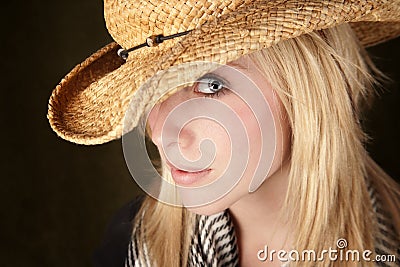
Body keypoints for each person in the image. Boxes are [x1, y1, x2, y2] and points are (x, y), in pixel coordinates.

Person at [48, 0, 400, 266]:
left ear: (313, 88)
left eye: (212, 85)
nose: (164, 133)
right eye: (153, 90)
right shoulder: (129, 245)